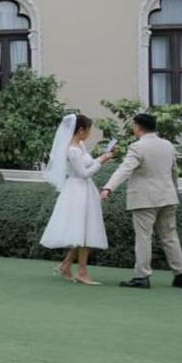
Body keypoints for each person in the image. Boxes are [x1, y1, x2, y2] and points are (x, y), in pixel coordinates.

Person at [101, 113, 182, 290]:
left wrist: (108, 187)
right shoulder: (167, 145)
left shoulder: (137, 147)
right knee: (170, 236)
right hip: (168, 197)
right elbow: (174, 171)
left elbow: (125, 169)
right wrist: (173, 190)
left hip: (145, 199)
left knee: (144, 237)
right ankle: (181, 275)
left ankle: (142, 276)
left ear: (138, 127)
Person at [39, 113, 115, 285]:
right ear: (81, 130)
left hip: (84, 189)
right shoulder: (72, 150)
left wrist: (102, 158)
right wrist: (101, 160)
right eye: (88, 130)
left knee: (82, 229)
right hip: (77, 190)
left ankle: (66, 266)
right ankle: (82, 271)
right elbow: (83, 173)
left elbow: (87, 165)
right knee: (83, 230)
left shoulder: (80, 145)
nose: (89, 134)